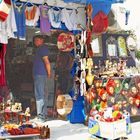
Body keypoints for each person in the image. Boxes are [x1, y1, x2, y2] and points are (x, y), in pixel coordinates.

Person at [33, 35, 51, 122]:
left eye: (37, 40)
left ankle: (41, 116)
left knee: (40, 95)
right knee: (42, 94)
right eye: (34, 40)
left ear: (42, 40)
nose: (35, 41)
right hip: (39, 75)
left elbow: (47, 62)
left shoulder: (43, 49)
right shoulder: (40, 49)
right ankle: (44, 115)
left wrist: (49, 73)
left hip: (41, 75)